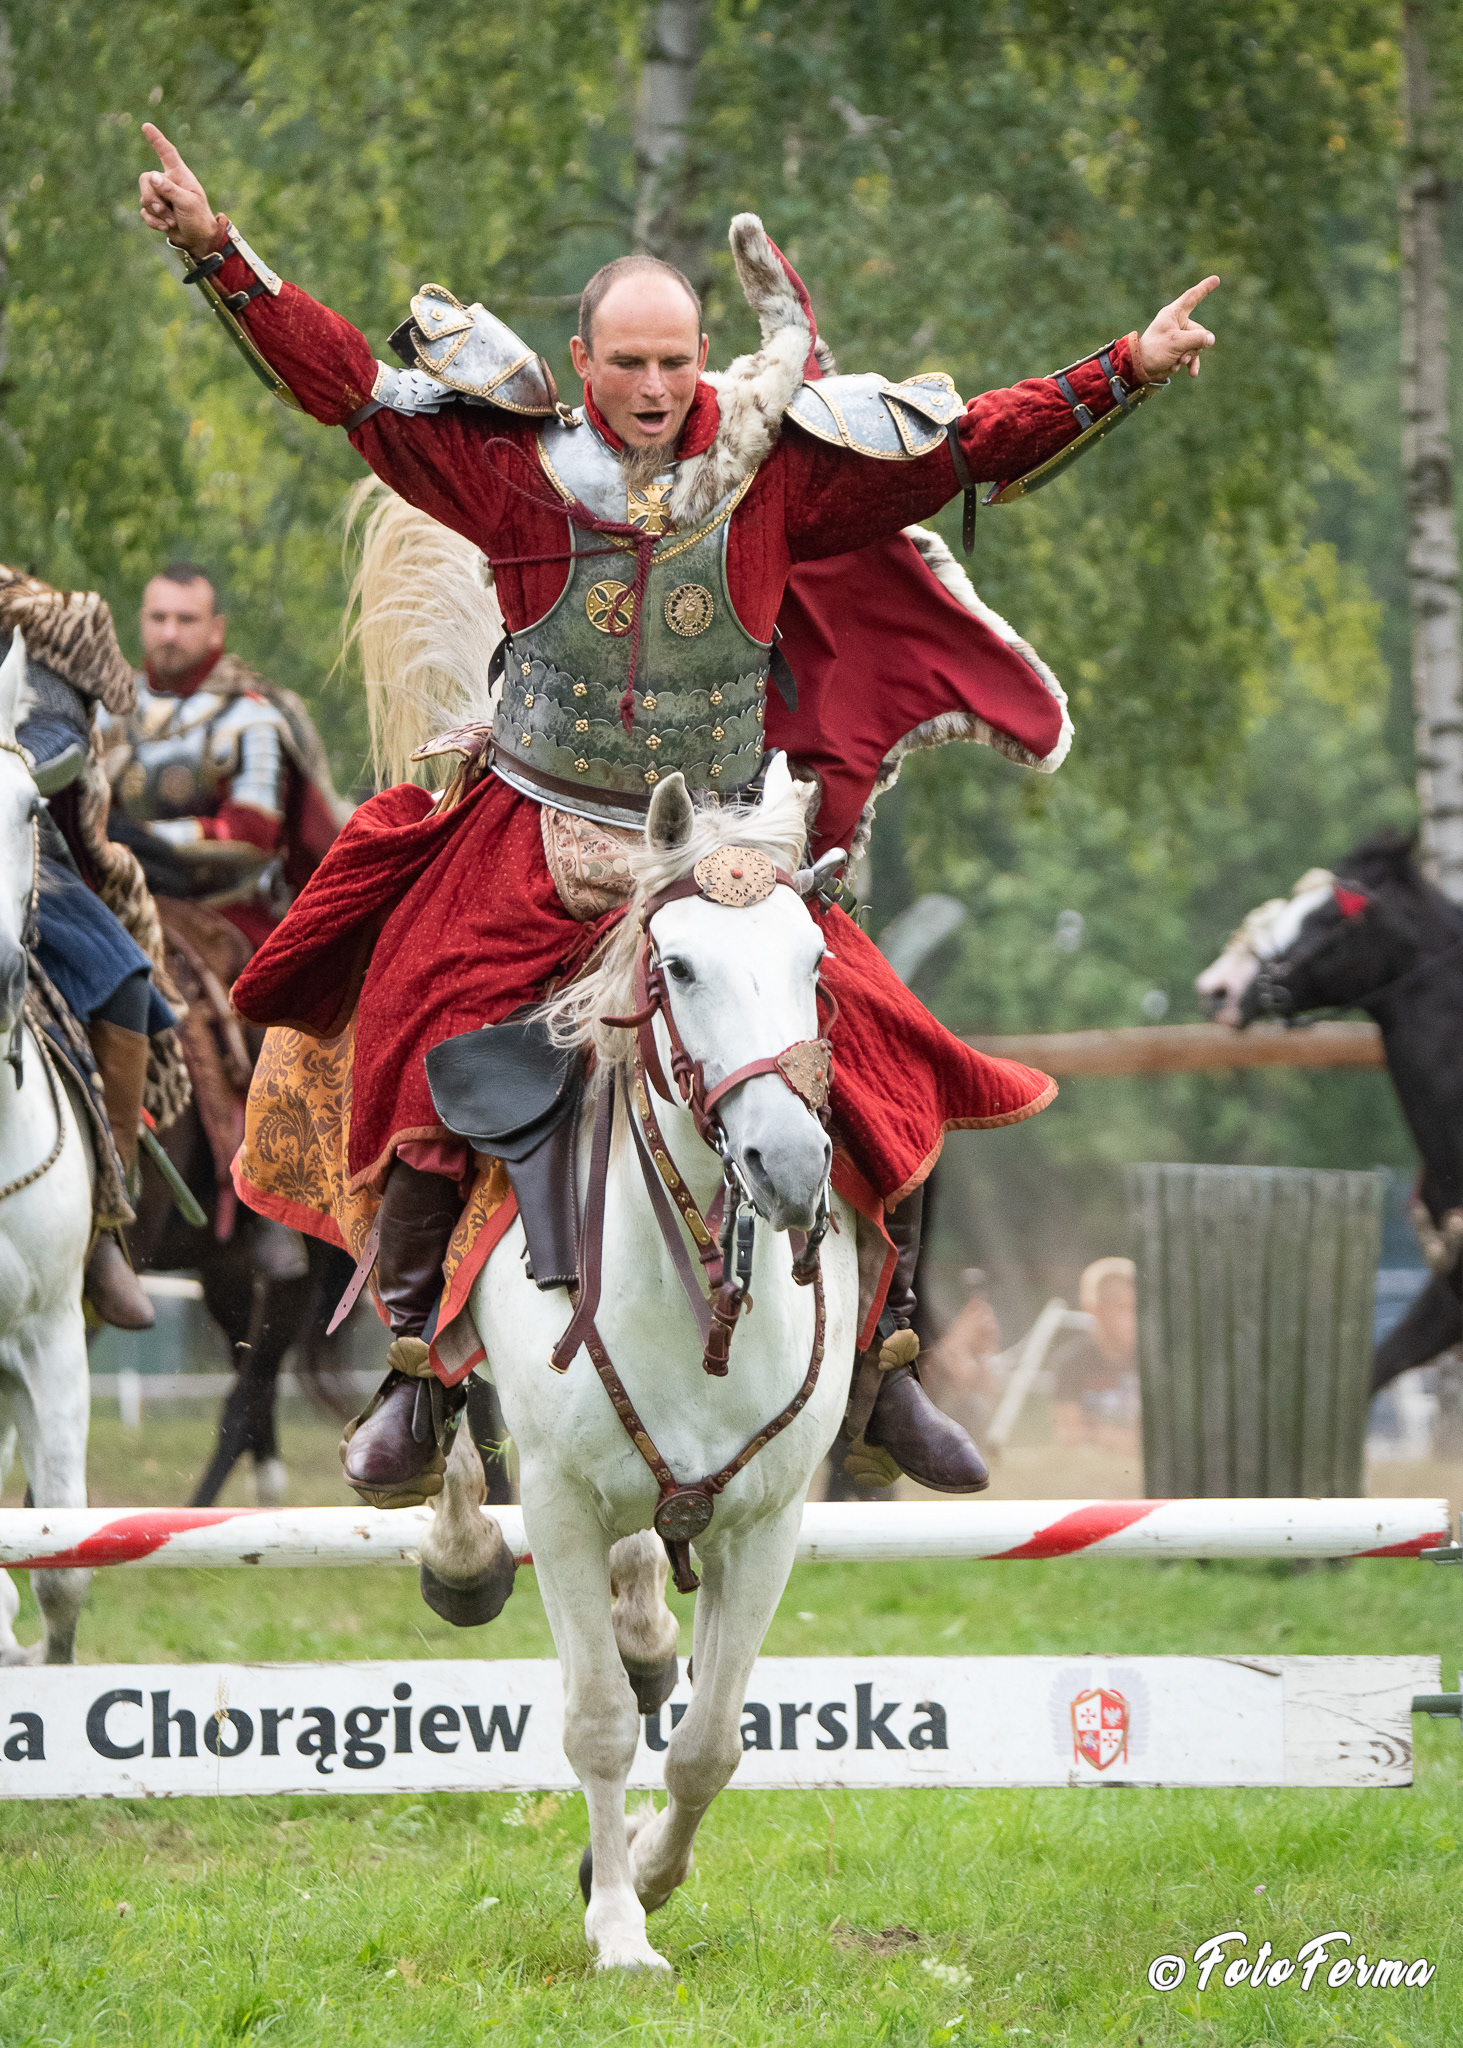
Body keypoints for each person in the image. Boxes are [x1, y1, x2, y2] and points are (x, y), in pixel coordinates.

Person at [136, 123, 1218, 1509]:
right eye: (626, 363)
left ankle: (882, 1363)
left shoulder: (781, 471)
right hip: (530, 828)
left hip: (716, 845)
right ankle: (418, 1366)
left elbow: (963, 444)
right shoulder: (507, 466)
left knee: (877, 1041)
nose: (652, 388)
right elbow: (346, 384)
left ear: (703, 356)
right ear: (580, 361)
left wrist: (1124, 366)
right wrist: (217, 252)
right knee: (414, 1015)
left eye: (672, 361)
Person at [1, 569, 186, 1329]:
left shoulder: (31, 626)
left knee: (122, 979)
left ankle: (104, 1219)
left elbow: (58, 741)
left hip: (15, 843)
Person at [100, 563, 343, 952]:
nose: (170, 633)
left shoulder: (249, 717)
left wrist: (139, 837)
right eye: (159, 618)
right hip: (116, 900)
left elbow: (250, 837)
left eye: (186, 620)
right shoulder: (106, 710)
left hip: (226, 914)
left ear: (216, 629)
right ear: (142, 622)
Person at [1050, 1256, 1141, 1455]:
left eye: (1139, 1308)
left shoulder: (1153, 1361)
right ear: (1094, 1310)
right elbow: (1067, 1434)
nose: (1135, 1318)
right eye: (1123, 1308)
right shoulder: (1071, 1363)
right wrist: (1118, 1439)